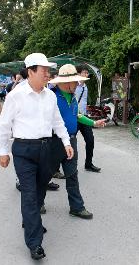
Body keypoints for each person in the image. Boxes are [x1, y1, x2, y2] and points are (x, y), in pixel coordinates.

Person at [0, 53, 73, 260]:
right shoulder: (16, 95)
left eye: (49, 70)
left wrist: (66, 142)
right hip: (23, 150)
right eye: (44, 70)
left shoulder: (49, 95)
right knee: (29, 194)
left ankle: (30, 221)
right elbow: (4, 125)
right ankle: (34, 242)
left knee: (40, 191)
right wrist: (2, 151)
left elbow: (57, 122)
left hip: (46, 149)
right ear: (30, 72)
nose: (48, 74)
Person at [48, 64, 106, 220]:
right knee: (44, 175)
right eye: (75, 82)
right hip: (53, 142)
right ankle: (38, 202)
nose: (77, 84)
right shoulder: (50, 96)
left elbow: (78, 116)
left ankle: (76, 207)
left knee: (72, 175)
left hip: (71, 142)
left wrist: (93, 123)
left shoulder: (72, 97)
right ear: (67, 83)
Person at [75, 68, 101, 172]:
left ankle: (88, 164)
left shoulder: (85, 87)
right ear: (79, 74)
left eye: (87, 73)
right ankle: (57, 168)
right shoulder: (73, 85)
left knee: (90, 140)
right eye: (84, 72)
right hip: (75, 117)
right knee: (67, 141)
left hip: (84, 117)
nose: (86, 74)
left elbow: (84, 102)